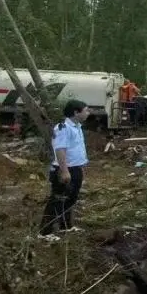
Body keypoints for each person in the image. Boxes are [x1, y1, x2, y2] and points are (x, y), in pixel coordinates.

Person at [38, 100, 90, 239]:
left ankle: (65, 226)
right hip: (64, 169)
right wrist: (65, 170)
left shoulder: (77, 127)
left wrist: (81, 167)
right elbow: (60, 150)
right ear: (76, 112)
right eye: (86, 110)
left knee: (70, 199)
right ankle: (44, 232)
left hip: (75, 168)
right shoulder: (63, 128)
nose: (88, 113)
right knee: (57, 200)